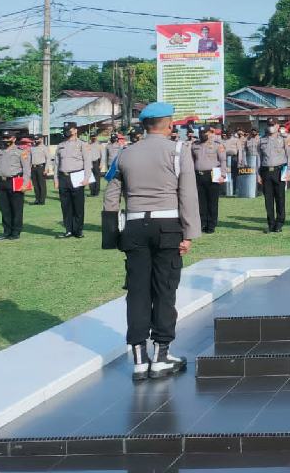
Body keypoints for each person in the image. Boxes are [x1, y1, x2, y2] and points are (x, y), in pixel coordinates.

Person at [102, 101, 199, 382]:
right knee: (165, 289)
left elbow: (111, 196)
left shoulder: (124, 154)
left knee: (137, 292)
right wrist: (189, 233)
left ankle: (139, 358)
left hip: (133, 227)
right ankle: (161, 355)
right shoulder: (178, 150)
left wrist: (112, 235)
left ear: (143, 126)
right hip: (167, 226)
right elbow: (188, 194)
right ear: (169, 125)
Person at [0, 130, 30, 240]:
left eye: (8, 138)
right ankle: (6, 231)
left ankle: (16, 232)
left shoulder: (20, 151)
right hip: (2, 182)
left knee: (16, 208)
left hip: (15, 181)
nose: (5, 140)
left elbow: (27, 169)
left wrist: (25, 183)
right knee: (4, 209)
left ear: (14, 139)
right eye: (4, 138)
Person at [56, 122, 89, 238]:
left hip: (77, 176)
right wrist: (56, 179)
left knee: (78, 205)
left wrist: (86, 178)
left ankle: (78, 230)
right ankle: (68, 229)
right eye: (65, 129)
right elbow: (57, 163)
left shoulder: (82, 144)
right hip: (63, 177)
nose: (67, 131)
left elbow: (87, 162)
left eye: (69, 129)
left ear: (75, 130)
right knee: (66, 205)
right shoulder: (60, 145)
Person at [191, 127, 226, 233]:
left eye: (205, 132)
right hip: (199, 175)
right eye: (201, 132)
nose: (203, 134)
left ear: (210, 133)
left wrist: (223, 175)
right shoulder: (195, 145)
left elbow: (223, 160)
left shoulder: (217, 145)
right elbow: (192, 160)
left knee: (212, 201)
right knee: (201, 201)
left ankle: (211, 224)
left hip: (213, 174)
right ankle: (202, 223)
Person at [257, 120, 290, 233]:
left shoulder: (284, 139)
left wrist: (288, 171)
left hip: (279, 171)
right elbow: (259, 158)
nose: (270, 127)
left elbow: (289, 155)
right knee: (268, 200)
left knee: (280, 198)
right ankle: (270, 224)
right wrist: (258, 174)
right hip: (266, 172)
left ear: (277, 126)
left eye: (272, 125)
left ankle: (279, 223)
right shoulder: (262, 140)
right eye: (269, 125)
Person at [29, 136, 49, 205]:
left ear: (41, 139)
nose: (36, 140)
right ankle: (37, 199)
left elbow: (48, 159)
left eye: (37, 139)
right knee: (35, 185)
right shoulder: (32, 148)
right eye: (35, 139)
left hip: (41, 167)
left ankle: (42, 200)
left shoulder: (44, 148)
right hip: (33, 168)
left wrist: (46, 169)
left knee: (41, 185)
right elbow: (29, 159)